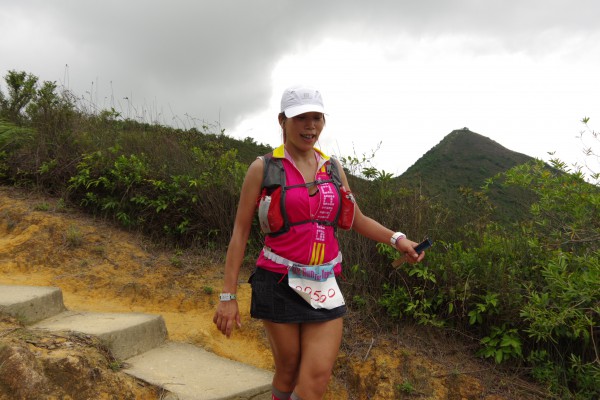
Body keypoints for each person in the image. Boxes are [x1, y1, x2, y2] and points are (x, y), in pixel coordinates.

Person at [213, 85, 425, 400]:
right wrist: (228, 296)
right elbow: (240, 233)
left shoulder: (333, 168)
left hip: (324, 282)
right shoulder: (264, 168)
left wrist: (398, 239)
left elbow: (357, 218)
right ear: (282, 120)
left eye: (316, 118)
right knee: (288, 369)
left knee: (316, 376)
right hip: (278, 280)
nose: (310, 126)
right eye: (301, 118)